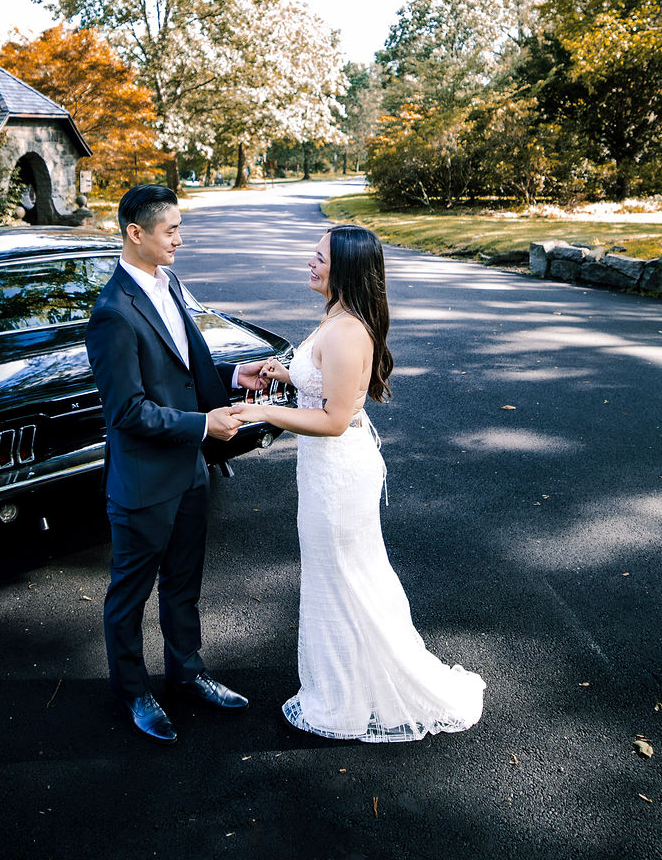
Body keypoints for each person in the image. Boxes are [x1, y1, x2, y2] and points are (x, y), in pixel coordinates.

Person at [232, 224, 486, 741]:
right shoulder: (338, 316)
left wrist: (260, 413)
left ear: (345, 268)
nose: (310, 262)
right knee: (338, 574)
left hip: (339, 474)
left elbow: (333, 418)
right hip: (324, 469)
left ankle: (348, 697)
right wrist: (280, 375)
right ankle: (343, 679)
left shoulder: (348, 330)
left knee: (346, 576)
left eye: (320, 257)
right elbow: (320, 376)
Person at [85, 183, 271, 743]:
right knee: (129, 595)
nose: (180, 240)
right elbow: (127, 412)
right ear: (135, 234)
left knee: (184, 583)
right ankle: (134, 691)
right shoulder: (113, 313)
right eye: (171, 230)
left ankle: (188, 674)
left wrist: (233, 378)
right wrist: (202, 426)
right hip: (143, 482)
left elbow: (187, 364)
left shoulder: (169, 282)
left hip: (190, 472)